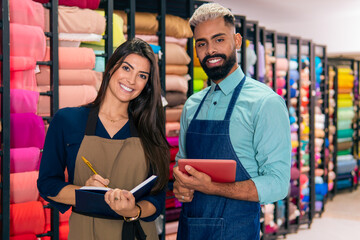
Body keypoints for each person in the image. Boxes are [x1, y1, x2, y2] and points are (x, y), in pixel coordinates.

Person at [172, 3, 291, 240]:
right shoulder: (192, 106)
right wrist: (181, 186)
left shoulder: (265, 103)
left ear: (236, 41)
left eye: (219, 40)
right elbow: (182, 166)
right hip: (190, 230)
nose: (210, 50)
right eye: (201, 43)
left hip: (237, 232)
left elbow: (278, 184)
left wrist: (213, 187)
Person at [37, 38, 169, 240]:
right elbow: (47, 184)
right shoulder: (67, 120)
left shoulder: (150, 129)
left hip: (137, 232)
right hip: (86, 233)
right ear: (111, 67)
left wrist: (133, 211)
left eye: (142, 75)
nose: (132, 80)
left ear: (147, 85)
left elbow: (157, 195)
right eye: (126, 68)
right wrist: (85, 192)